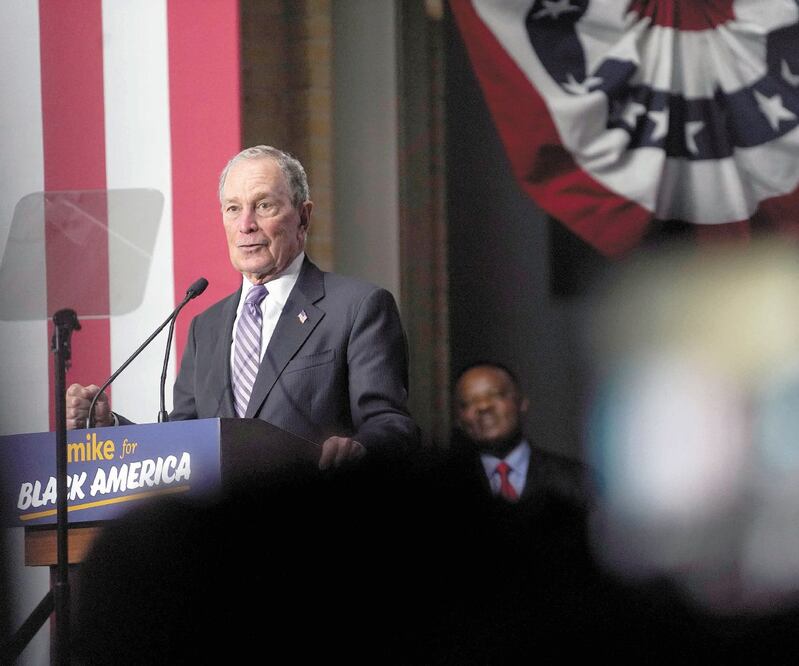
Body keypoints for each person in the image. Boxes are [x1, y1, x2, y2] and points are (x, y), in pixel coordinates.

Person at [66, 145, 418, 469]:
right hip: (222, 530)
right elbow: (180, 442)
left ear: (303, 218)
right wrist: (107, 426)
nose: (246, 224)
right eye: (233, 208)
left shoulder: (357, 308)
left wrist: (359, 449)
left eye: (264, 205)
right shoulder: (206, 326)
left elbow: (391, 424)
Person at [449, 361, 586, 507]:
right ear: (458, 420)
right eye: (468, 402)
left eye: (496, 395)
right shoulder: (442, 488)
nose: (483, 406)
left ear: (522, 403)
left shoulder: (576, 480)